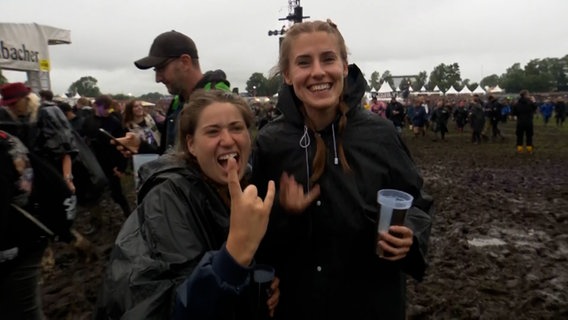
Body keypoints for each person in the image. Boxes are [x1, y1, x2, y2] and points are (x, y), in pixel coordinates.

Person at [250, 20, 433, 320]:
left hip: (370, 302)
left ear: (345, 67)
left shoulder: (381, 135)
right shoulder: (272, 143)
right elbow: (255, 231)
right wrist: (285, 214)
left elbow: (415, 202)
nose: (318, 72)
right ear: (287, 75)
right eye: (304, 62)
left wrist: (409, 233)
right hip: (298, 303)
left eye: (328, 59)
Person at [95, 90, 279, 319]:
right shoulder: (168, 199)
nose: (228, 139)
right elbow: (183, 305)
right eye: (213, 131)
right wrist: (236, 254)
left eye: (236, 128)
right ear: (191, 144)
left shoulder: (245, 185)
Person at [0, 83, 78, 319]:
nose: (13, 109)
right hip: (29, 180)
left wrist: (66, 178)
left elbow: (66, 148)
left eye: (15, 104)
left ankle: (50, 255)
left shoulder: (47, 112)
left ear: (27, 99)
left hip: (47, 178)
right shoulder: (13, 120)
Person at [115, 30, 230, 156]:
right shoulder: (177, 102)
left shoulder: (219, 102)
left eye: (161, 68)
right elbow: (171, 156)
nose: (157, 78)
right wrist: (141, 146)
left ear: (185, 62)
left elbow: (224, 164)